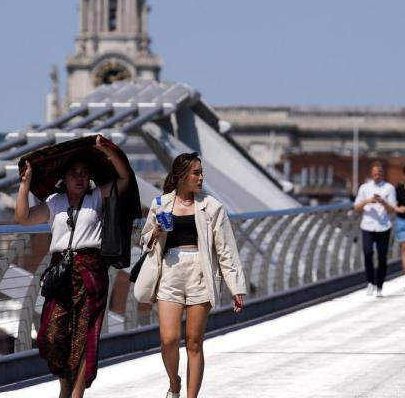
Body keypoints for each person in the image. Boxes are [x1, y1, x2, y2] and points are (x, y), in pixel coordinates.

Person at [15, 136, 131, 398]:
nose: (79, 178)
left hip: (91, 272)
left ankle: (76, 393)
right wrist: (24, 184)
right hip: (61, 272)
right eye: (74, 173)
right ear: (63, 178)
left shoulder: (97, 196)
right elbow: (23, 218)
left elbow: (124, 179)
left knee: (83, 335)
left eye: (84, 173)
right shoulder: (54, 202)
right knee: (52, 334)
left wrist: (109, 152)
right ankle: (65, 386)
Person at [140, 152, 247, 398]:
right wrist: (155, 232)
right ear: (181, 176)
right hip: (170, 273)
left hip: (201, 274)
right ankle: (174, 383)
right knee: (169, 339)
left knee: (194, 342)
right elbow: (144, 241)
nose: (200, 178)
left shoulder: (212, 207)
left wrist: (236, 287)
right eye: (196, 173)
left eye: (201, 173)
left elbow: (226, 249)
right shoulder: (160, 204)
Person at [353, 162, 397, 297]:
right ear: (371, 174)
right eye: (375, 174)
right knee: (368, 253)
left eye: (379, 174)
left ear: (382, 174)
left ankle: (379, 285)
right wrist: (367, 201)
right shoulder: (364, 188)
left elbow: (392, 209)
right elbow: (356, 208)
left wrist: (383, 202)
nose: (377, 176)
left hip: (383, 226)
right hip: (368, 225)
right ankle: (370, 282)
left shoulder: (389, 188)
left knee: (382, 256)